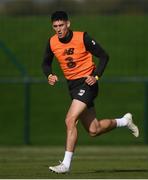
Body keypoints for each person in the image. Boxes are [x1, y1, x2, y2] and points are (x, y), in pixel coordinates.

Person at [42, 11, 139, 174]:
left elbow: (104, 56)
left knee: (70, 119)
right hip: (73, 87)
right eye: (55, 26)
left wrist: (96, 76)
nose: (59, 29)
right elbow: (45, 63)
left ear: (68, 24)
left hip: (87, 83)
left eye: (61, 25)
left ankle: (66, 165)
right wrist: (49, 75)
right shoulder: (52, 42)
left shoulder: (82, 37)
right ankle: (124, 121)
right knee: (94, 130)